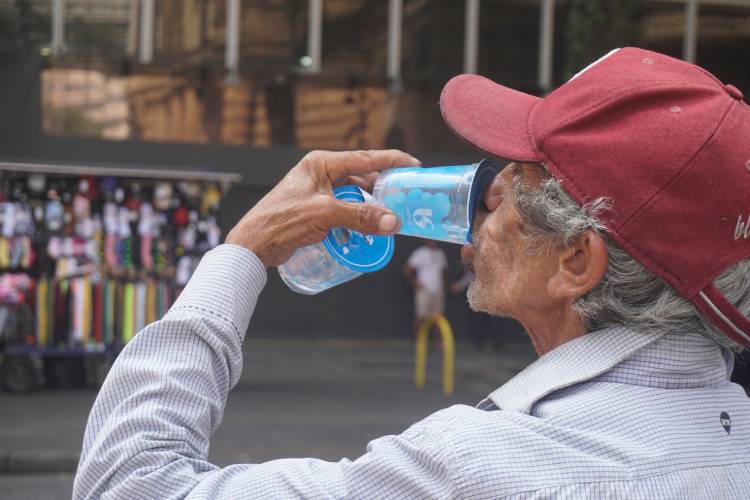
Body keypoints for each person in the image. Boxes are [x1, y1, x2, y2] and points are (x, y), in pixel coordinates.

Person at [74, 47, 750, 498]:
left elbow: (130, 483)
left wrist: (244, 250)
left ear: (576, 262)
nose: (490, 196)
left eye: (518, 177)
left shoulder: (478, 465)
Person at [403, 239, 448, 334]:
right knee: (421, 316)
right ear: (426, 239)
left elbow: (444, 271)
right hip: (424, 290)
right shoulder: (420, 253)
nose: (433, 241)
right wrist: (415, 283)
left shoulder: (440, 254)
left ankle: (438, 344)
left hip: (438, 290)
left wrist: (444, 286)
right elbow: (407, 269)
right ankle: (418, 344)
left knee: (438, 317)